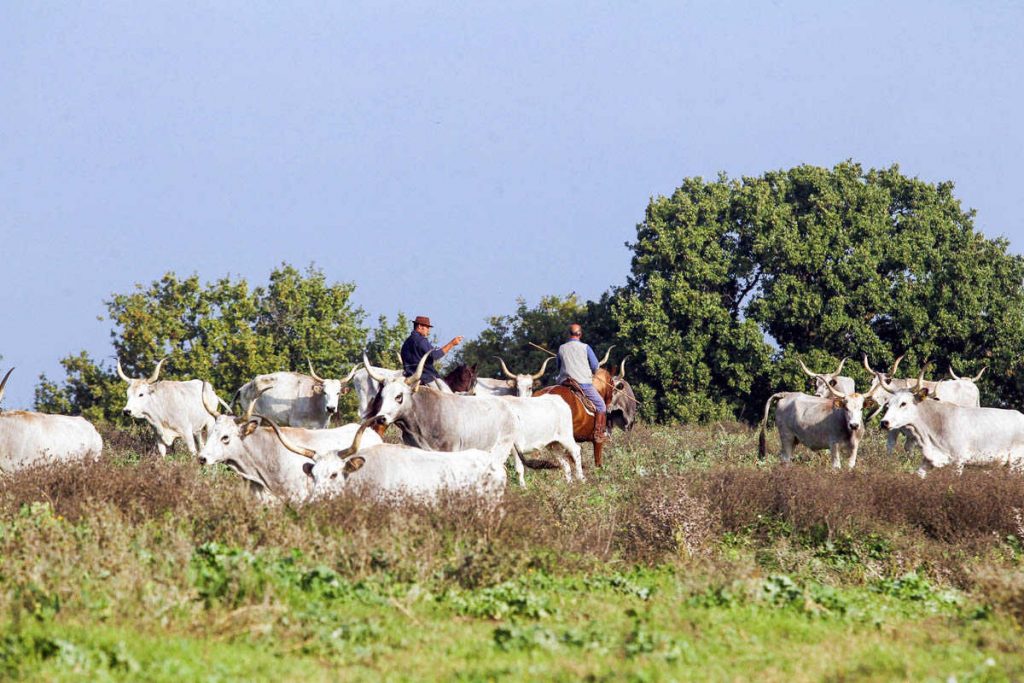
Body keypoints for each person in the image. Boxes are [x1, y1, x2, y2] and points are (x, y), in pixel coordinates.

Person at [555, 323, 607, 443]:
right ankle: (598, 433)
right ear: (580, 334)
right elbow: (595, 367)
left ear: (569, 334)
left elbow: (558, 367)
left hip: (564, 383)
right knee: (601, 405)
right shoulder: (586, 347)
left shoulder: (561, 348)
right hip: (583, 384)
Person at [400, 316, 463, 391]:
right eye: (427, 327)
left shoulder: (406, 342)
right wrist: (452, 343)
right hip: (426, 378)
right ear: (420, 326)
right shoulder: (420, 340)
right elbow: (435, 355)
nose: (428, 330)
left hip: (409, 378)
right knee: (449, 396)